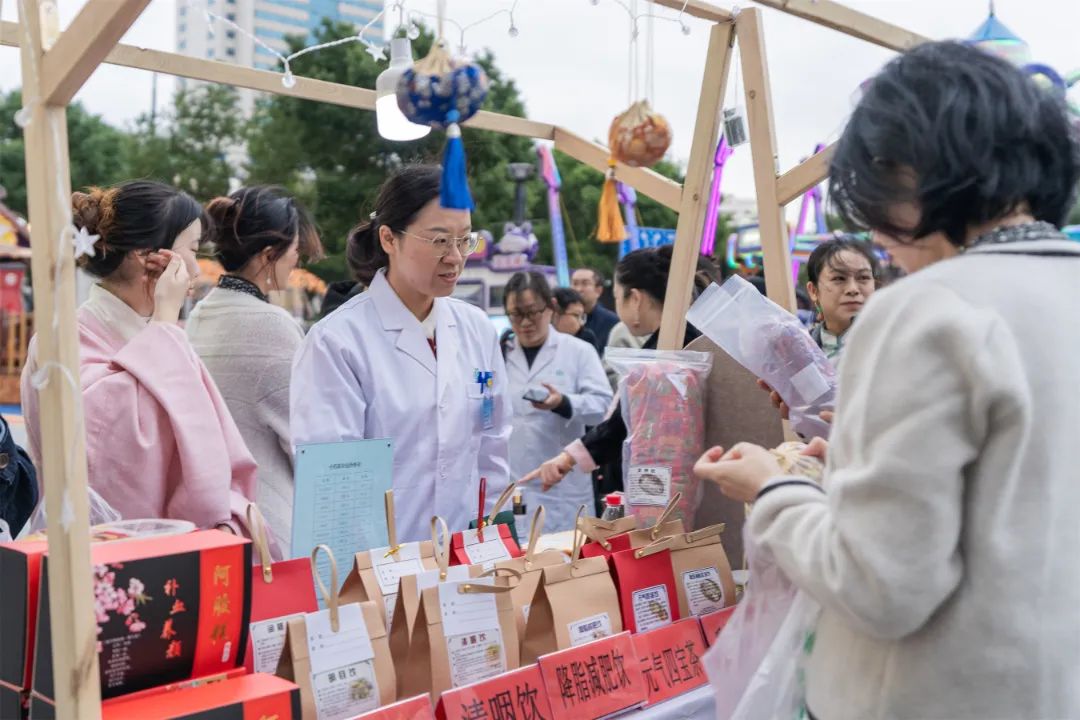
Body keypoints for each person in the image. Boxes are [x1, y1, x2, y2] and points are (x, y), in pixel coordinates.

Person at [694, 41, 1080, 719]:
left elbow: (880, 584)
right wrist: (852, 464)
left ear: (909, 171)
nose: (877, 235)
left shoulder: (926, 308)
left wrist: (774, 490)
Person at [290, 165, 512, 542]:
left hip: (465, 555)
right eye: (439, 240)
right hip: (379, 559)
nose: (455, 257)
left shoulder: (476, 329)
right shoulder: (338, 342)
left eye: (464, 240)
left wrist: (492, 538)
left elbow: (493, 447)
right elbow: (334, 479)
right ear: (389, 239)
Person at [22, 181, 257, 529]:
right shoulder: (61, 341)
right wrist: (164, 319)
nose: (195, 270)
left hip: (172, 542)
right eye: (192, 250)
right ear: (149, 256)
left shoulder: (160, 334)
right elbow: (102, 440)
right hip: (91, 544)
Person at [187, 186, 322, 551]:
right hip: (269, 521)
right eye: (294, 250)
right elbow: (304, 442)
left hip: (217, 515)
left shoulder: (201, 314)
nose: (297, 260)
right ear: (268, 254)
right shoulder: (272, 325)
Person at [524, 246, 715, 498]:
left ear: (635, 299)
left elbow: (622, 423)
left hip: (670, 489)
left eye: (616, 297)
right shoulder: (693, 336)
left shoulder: (665, 353)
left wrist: (567, 458)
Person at [502, 272, 611, 531]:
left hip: (563, 487)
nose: (525, 323)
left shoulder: (578, 351)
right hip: (514, 483)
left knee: (565, 552)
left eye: (532, 313)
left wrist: (564, 403)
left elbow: (604, 407)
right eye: (516, 315)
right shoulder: (500, 354)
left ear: (551, 307)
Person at [804, 237, 879, 361]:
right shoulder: (798, 353)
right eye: (839, 278)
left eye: (863, 277)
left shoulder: (895, 343)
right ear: (813, 291)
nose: (853, 289)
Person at [571, 268, 619, 352]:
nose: (578, 289)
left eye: (585, 283)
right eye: (575, 284)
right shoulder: (562, 318)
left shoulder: (612, 322)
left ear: (598, 290)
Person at [552, 287, 600, 353]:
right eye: (576, 315)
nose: (581, 323)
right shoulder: (541, 339)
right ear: (556, 314)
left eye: (582, 317)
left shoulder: (586, 339)